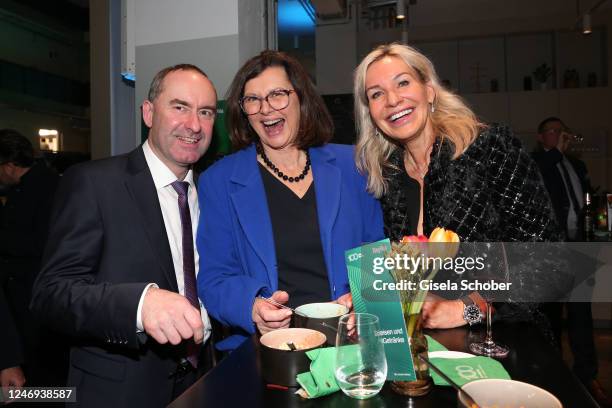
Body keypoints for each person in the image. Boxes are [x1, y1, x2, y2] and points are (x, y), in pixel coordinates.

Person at [31, 64, 216, 408]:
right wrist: (140, 305)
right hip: (119, 393)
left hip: (201, 381)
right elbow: (50, 294)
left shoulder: (212, 191)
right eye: (179, 107)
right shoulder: (93, 182)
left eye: (205, 112)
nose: (194, 125)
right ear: (148, 113)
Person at [353, 43, 560, 329]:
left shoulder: (488, 147)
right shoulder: (389, 178)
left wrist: (466, 310)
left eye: (403, 82)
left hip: (506, 341)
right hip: (432, 349)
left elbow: (549, 261)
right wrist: (365, 299)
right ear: (371, 113)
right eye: (376, 94)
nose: (392, 99)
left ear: (429, 90)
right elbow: (404, 277)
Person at [196, 50, 384, 351]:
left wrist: (362, 296)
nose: (265, 109)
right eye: (252, 100)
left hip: (350, 340)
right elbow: (214, 277)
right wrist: (252, 306)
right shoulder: (219, 180)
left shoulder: (353, 166)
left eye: (278, 94)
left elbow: (375, 255)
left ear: (301, 98)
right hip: (266, 349)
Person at [532, 117, 611, 407]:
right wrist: (555, 153)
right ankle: (553, 378)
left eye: (562, 130)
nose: (560, 135)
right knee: (550, 317)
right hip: (550, 251)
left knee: (581, 315)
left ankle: (587, 377)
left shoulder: (576, 166)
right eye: (553, 131)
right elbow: (538, 180)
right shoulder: (537, 162)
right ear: (542, 137)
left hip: (579, 247)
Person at [0, 129, 60, 388]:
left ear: (10, 165)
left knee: (40, 380)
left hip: (35, 301)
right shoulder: (20, 189)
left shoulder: (46, 188)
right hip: (25, 302)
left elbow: (45, 243)